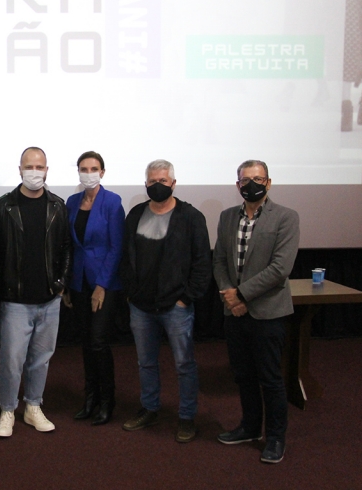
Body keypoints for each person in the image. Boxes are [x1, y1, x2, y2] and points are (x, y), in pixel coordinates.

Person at [213, 159, 299, 464]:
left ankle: (275, 438)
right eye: (246, 180)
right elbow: (219, 261)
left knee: (271, 379)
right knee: (243, 375)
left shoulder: (286, 217)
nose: (252, 184)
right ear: (237, 185)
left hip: (267, 312)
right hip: (234, 312)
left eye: (258, 179)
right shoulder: (227, 217)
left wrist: (241, 294)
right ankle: (250, 427)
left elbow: (280, 268)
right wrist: (230, 296)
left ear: (268, 183)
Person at [120, 159, 211, 443]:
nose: (157, 185)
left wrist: (186, 298)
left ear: (173, 183)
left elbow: (202, 262)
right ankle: (149, 408)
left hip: (176, 306)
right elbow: (125, 256)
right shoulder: (136, 214)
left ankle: (187, 417)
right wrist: (130, 292)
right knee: (145, 362)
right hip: (141, 306)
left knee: (184, 364)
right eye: (152, 181)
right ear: (145, 184)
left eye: (162, 180)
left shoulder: (191, 217)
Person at [0, 146, 71, 437]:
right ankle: (8, 409)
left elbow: (66, 248)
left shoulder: (58, 206)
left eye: (39, 167)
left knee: (41, 359)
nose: (34, 172)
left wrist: (60, 285)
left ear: (47, 170)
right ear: (20, 169)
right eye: (29, 166)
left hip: (49, 299)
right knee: (11, 361)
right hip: (15, 300)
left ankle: (33, 406)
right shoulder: (2, 207)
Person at [65, 151, 125, 426]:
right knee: (86, 342)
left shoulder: (112, 202)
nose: (88, 173)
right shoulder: (72, 202)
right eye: (84, 168)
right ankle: (90, 398)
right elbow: (70, 244)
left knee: (99, 341)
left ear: (102, 172)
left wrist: (101, 285)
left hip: (105, 282)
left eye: (93, 168)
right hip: (78, 281)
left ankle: (107, 401)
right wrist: (67, 283)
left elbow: (116, 247)